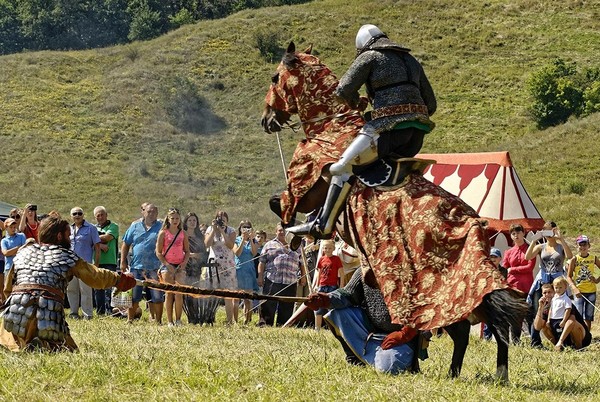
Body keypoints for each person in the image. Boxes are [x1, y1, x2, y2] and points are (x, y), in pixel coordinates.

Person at [287, 23, 436, 240]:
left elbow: (342, 91)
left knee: (341, 167)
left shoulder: (369, 57)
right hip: (416, 136)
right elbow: (431, 104)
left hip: (387, 130)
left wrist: (357, 103)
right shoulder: (411, 61)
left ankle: (323, 224)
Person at [0, 213, 136, 351]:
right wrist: (119, 279)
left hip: (16, 315)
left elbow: (8, 288)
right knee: (65, 348)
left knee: (12, 341)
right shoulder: (66, 255)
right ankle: (41, 343)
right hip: (47, 316)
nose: (70, 239)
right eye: (68, 235)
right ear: (59, 236)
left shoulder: (23, 252)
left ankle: (24, 342)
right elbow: (95, 276)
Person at [304, 269, 427, 374]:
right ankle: (354, 358)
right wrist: (326, 299)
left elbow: (422, 307)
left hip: (401, 339)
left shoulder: (408, 269)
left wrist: (405, 334)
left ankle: (390, 359)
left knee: (387, 369)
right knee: (338, 313)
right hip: (371, 329)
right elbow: (348, 294)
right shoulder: (364, 269)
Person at [524, 221, 572, 347]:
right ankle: (535, 341)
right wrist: (534, 241)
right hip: (543, 281)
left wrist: (561, 239)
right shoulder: (541, 247)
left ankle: (563, 340)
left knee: (559, 311)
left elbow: (570, 256)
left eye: (550, 231)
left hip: (557, 283)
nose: (548, 234)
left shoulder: (560, 247)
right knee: (538, 310)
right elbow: (527, 257)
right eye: (546, 231)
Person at [121, 203, 164, 324]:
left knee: (157, 296)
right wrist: (123, 261)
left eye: (154, 212)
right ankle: (130, 320)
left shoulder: (161, 226)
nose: (151, 214)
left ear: (157, 213)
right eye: (149, 211)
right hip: (136, 266)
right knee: (134, 296)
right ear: (143, 212)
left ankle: (158, 321)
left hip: (155, 267)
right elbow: (126, 244)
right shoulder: (135, 226)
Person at [257, 223, 307, 327]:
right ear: (276, 232)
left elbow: (302, 263)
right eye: (280, 230)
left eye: (284, 230)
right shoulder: (269, 244)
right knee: (268, 303)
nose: (282, 232)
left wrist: (303, 276)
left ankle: (283, 325)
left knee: (287, 305)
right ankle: (265, 324)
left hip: (290, 281)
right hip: (272, 279)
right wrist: (260, 276)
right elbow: (262, 261)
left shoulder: (297, 245)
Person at [502, 223, 536, 345]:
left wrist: (513, 269)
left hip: (526, 286)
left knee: (528, 314)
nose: (516, 236)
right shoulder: (508, 252)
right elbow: (504, 267)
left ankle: (534, 341)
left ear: (523, 233)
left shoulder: (530, 249)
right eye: (513, 233)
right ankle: (515, 341)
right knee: (514, 315)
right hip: (512, 286)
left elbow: (529, 267)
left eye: (518, 233)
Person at [156, 208, 190, 327]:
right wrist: (167, 265)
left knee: (179, 293)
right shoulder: (163, 233)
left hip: (180, 265)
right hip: (167, 265)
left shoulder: (183, 233)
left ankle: (178, 319)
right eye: (173, 218)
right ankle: (170, 320)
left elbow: (187, 251)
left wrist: (184, 264)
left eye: (177, 218)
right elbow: (159, 252)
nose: (175, 221)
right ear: (168, 219)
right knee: (169, 293)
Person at [533, 282, 591, 351]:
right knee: (544, 326)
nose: (547, 295)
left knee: (573, 323)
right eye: (545, 293)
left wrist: (560, 340)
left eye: (549, 292)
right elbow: (537, 327)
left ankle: (579, 348)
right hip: (562, 335)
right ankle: (559, 347)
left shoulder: (565, 302)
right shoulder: (546, 308)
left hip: (581, 337)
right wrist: (540, 308)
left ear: (555, 292)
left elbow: (571, 321)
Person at [67, 207, 101, 320]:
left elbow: (97, 247)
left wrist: (96, 264)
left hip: (85, 264)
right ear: (71, 216)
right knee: (71, 289)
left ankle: (88, 314)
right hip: (71, 264)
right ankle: (73, 313)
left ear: (83, 215)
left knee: (85, 290)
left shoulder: (91, 228)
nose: (77, 216)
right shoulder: (68, 229)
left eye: (79, 213)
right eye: (74, 214)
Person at [204, 211, 238, 325]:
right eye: (219, 219)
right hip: (213, 263)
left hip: (227, 264)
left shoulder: (231, 231)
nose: (221, 221)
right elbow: (206, 244)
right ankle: (209, 319)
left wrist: (223, 231)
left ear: (227, 221)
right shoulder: (210, 229)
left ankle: (229, 321)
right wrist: (214, 229)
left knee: (228, 293)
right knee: (212, 292)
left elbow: (230, 245)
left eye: (223, 220)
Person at [566, 234, 600, 330]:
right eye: (580, 245)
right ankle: (579, 335)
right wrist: (574, 288)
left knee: (588, 317)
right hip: (579, 292)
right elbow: (568, 277)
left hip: (591, 291)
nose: (582, 247)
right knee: (578, 316)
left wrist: (597, 280)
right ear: (577, 246)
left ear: (589, 246)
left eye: (585, 245)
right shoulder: (574, 259)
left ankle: (587, 336)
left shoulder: (593, 258)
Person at [182, 212, 209, 324]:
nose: (192, 223)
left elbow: (204, 253)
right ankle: (188, 315)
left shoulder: (200, 237)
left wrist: (195, 255)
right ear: (186, 222)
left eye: (194, 220)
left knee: (195, 290)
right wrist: (188, 255)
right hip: (184, 266)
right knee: (184, 291)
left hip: (196, 267)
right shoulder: (182, 235)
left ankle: (195, 316)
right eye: (190, 220)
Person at [93, 206, 119, 316]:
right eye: (97, 216)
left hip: (109, 261)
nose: (100, 217)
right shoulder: (93, 228)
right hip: (97, 261)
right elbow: (89, 241)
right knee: (98, 287)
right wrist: (101, 245)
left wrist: (95, 239)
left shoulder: (113, 226)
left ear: (106, 215)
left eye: (102, 214)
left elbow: (107, 237)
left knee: (108, 287)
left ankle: (109, 311)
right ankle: (100, 312)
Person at [233, 220, 259, 324]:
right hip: (239, 270)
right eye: (244, 227)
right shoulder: (237, 240)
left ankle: (247, 319)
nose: (246, 229)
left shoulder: (253, 241)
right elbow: (237, 253)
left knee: (248, 299)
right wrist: (243, 240)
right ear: (240, 229)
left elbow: (254, 253)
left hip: (249, 271)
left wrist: (251, 240)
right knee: (236, 298)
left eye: (248, 227)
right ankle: (235, 320)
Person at [314, 239, 342, 330]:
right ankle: (317, 327)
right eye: (325, 248)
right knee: (318, 307)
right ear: (323, 249)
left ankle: (333, 328)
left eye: (330, 248)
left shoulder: (336, 259)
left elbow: (342, 273)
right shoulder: (321, 259)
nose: (327, 250)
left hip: (332, 286)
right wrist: (317, 285)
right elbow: (319, 273)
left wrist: (341, 286)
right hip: (322, 285)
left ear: (333, 249)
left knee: (331, 308)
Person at [483, 247, 505, 340]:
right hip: (488, 297)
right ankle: (487, 338)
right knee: (487, 319)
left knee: (499, 320)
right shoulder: (485, 269)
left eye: (495, 257)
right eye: (491, 257)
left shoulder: (504, 270)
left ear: (500, 258)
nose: (493, 259)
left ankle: (500, 339)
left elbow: (503, 282)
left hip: (499, 297)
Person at [1, 218, 27, 299]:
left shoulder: (21, 236)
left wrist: (11, 252)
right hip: (9, 268)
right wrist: (18, 248)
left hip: (20, 266)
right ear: (6, 228)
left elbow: (25, 249)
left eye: (14, 227)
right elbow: (5, 253)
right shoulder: (4, 240)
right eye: (10, 227)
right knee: (8, 289)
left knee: (20, 288)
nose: (13, 229)